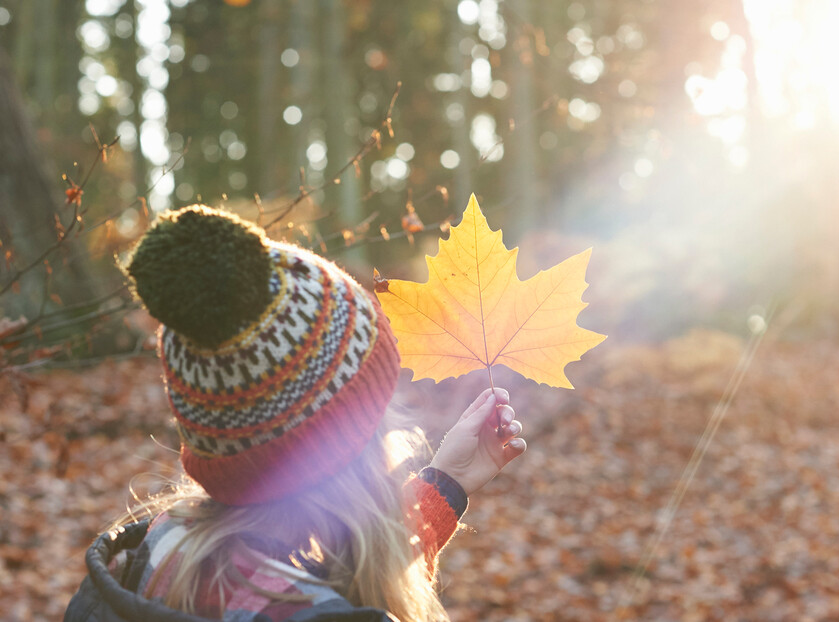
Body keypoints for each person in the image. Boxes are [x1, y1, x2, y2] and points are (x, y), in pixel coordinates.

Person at [65, 205, 526, 622]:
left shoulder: (153, 556)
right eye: (378, 403)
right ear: (347, 444)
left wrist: (447, 482)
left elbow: (316, 585)